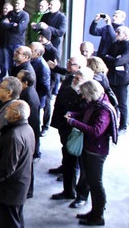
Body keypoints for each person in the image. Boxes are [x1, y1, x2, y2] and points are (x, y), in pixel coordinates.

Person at [65, 80, 118, 227]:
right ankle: (94, 212)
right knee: (90, 180)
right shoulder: (96, 104)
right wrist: (73, 115)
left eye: (84, 95)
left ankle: (98, 215)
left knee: (96, 183)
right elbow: (83, 114)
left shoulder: (103, 110)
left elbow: (95, 131)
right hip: (90, 148)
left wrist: (73, 122)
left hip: (97, 151)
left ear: (90, 93)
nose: (83, 98)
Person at [0, 100, 35, 228]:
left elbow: (7, 167)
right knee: (14, 214)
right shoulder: (26, 128)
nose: (7, 109)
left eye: (10, 109)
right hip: (20, 182)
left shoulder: (14, 136)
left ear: (17, 115)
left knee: (10, 217)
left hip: (11, 186)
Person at [50, 67, 94, 201]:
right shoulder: (68, 87)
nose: (74, 80)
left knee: (84, 168)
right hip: (67, 131)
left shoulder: (91, 96)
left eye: (77, 79)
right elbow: (59, 107)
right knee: (68, 163)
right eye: (74, 77)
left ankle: (81, 197)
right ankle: (68, 191)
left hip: (82, 136)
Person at [16, 70, 40, 199]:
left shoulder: (28, 96)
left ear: (25, 83)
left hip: (28, 133)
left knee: (25, 165)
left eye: (19, 79)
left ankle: (27, 190)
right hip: (29, 132)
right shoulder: (27, 92)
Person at [101, 25, 129, 132]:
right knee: (110, 101)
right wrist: (113, 58)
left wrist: (111, 58)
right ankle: (111, 123)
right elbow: (104, 55)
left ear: (126, 35)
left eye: (118, 33)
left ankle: (123, 126)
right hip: (111, 77)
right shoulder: (114, 44)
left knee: (122, 103)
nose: (116, 34)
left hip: (122, 79)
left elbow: (120, 61)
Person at [29, 42, 52, 136]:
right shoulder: (32, 61)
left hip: (37, 97)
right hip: (33, 94)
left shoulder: (42, 66)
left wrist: (35, 97)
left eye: (31, 50)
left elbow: (45, 87)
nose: (28, 52)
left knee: (35, 120)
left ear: (38, 54)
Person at [2, 0, 29, 76]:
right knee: (8, 64)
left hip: (17, 44)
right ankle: (10, 77)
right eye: (16, 3)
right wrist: (13, 24)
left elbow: (20, 29)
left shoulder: (25, 15)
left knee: (16, 63)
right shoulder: (10, 13)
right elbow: (3, 25)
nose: (17, 4)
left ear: (23, 5)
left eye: (19, 3)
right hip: (7, 42)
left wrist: (9, 24)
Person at [0, 3, 14, 79]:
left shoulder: (12, 18)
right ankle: (2, 75)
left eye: (7, 8)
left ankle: (10, 76)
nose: (5, 10)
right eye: (4, 8)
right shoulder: (0, 17)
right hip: (0, 42)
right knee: (1, 61)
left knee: (9, 62)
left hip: (9, 43)